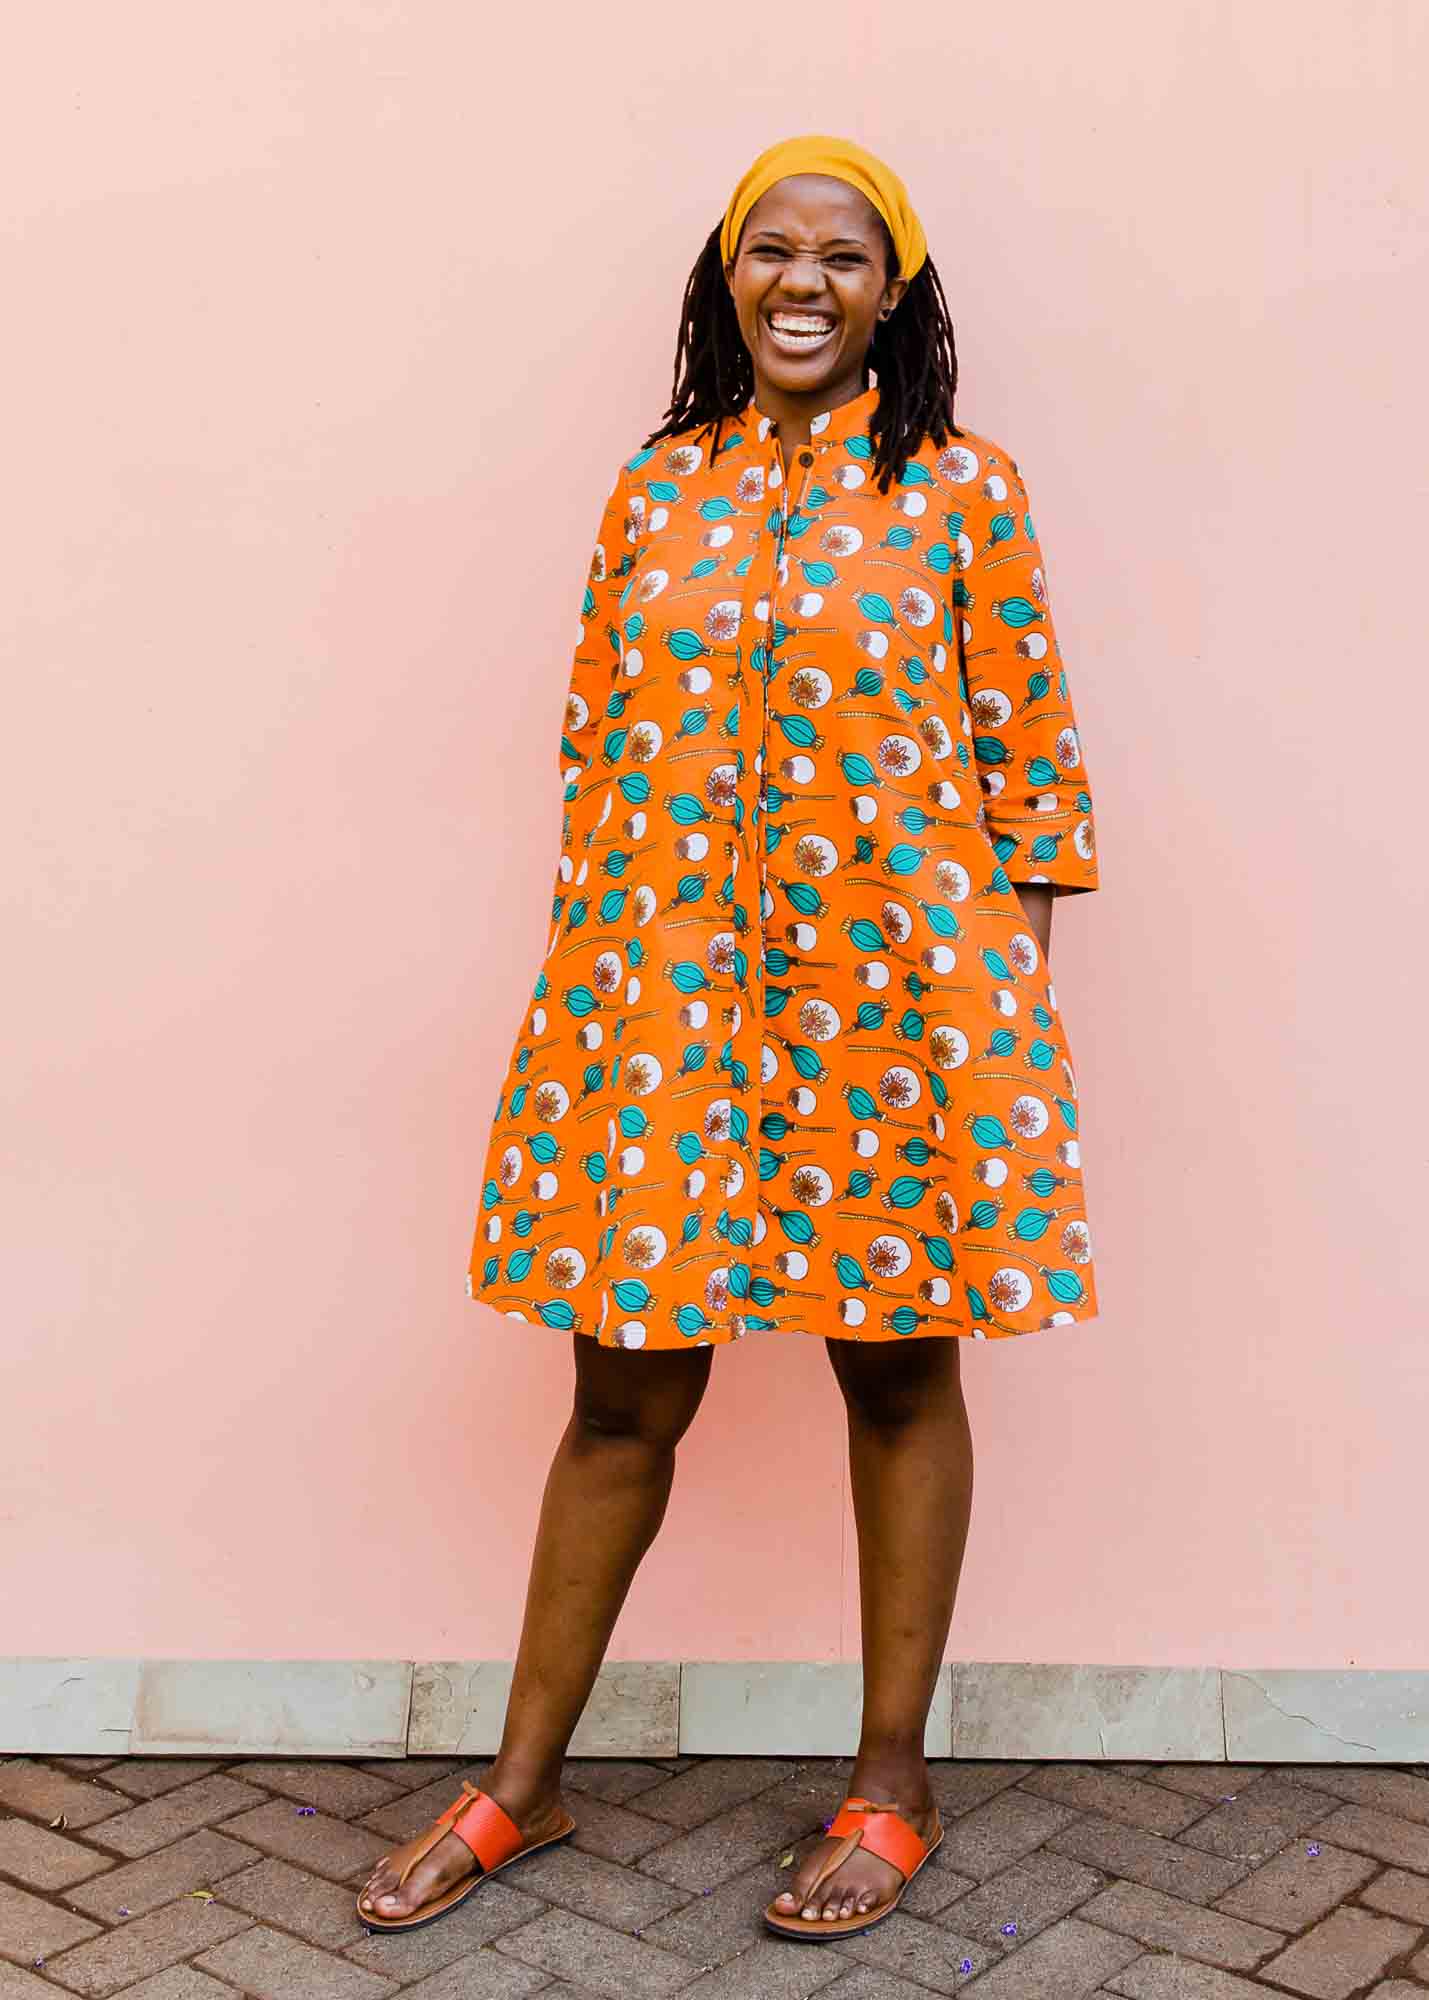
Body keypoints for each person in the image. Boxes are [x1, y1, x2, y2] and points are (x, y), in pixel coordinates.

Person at [359, 132, 1102, 1943]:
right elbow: (596, 760)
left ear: (894, 288)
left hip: (901, 1026)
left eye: (843, 256)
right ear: (723, 280)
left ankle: (890, 1780)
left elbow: (1031, 781)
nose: (801, 281)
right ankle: (518, 1785)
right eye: (768, 250)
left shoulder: (962, 493)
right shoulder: (655, 493)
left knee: (898, 1371)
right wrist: (592, 1010)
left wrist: (1001, 1036)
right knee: (622, 1394)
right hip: (665, 1007)